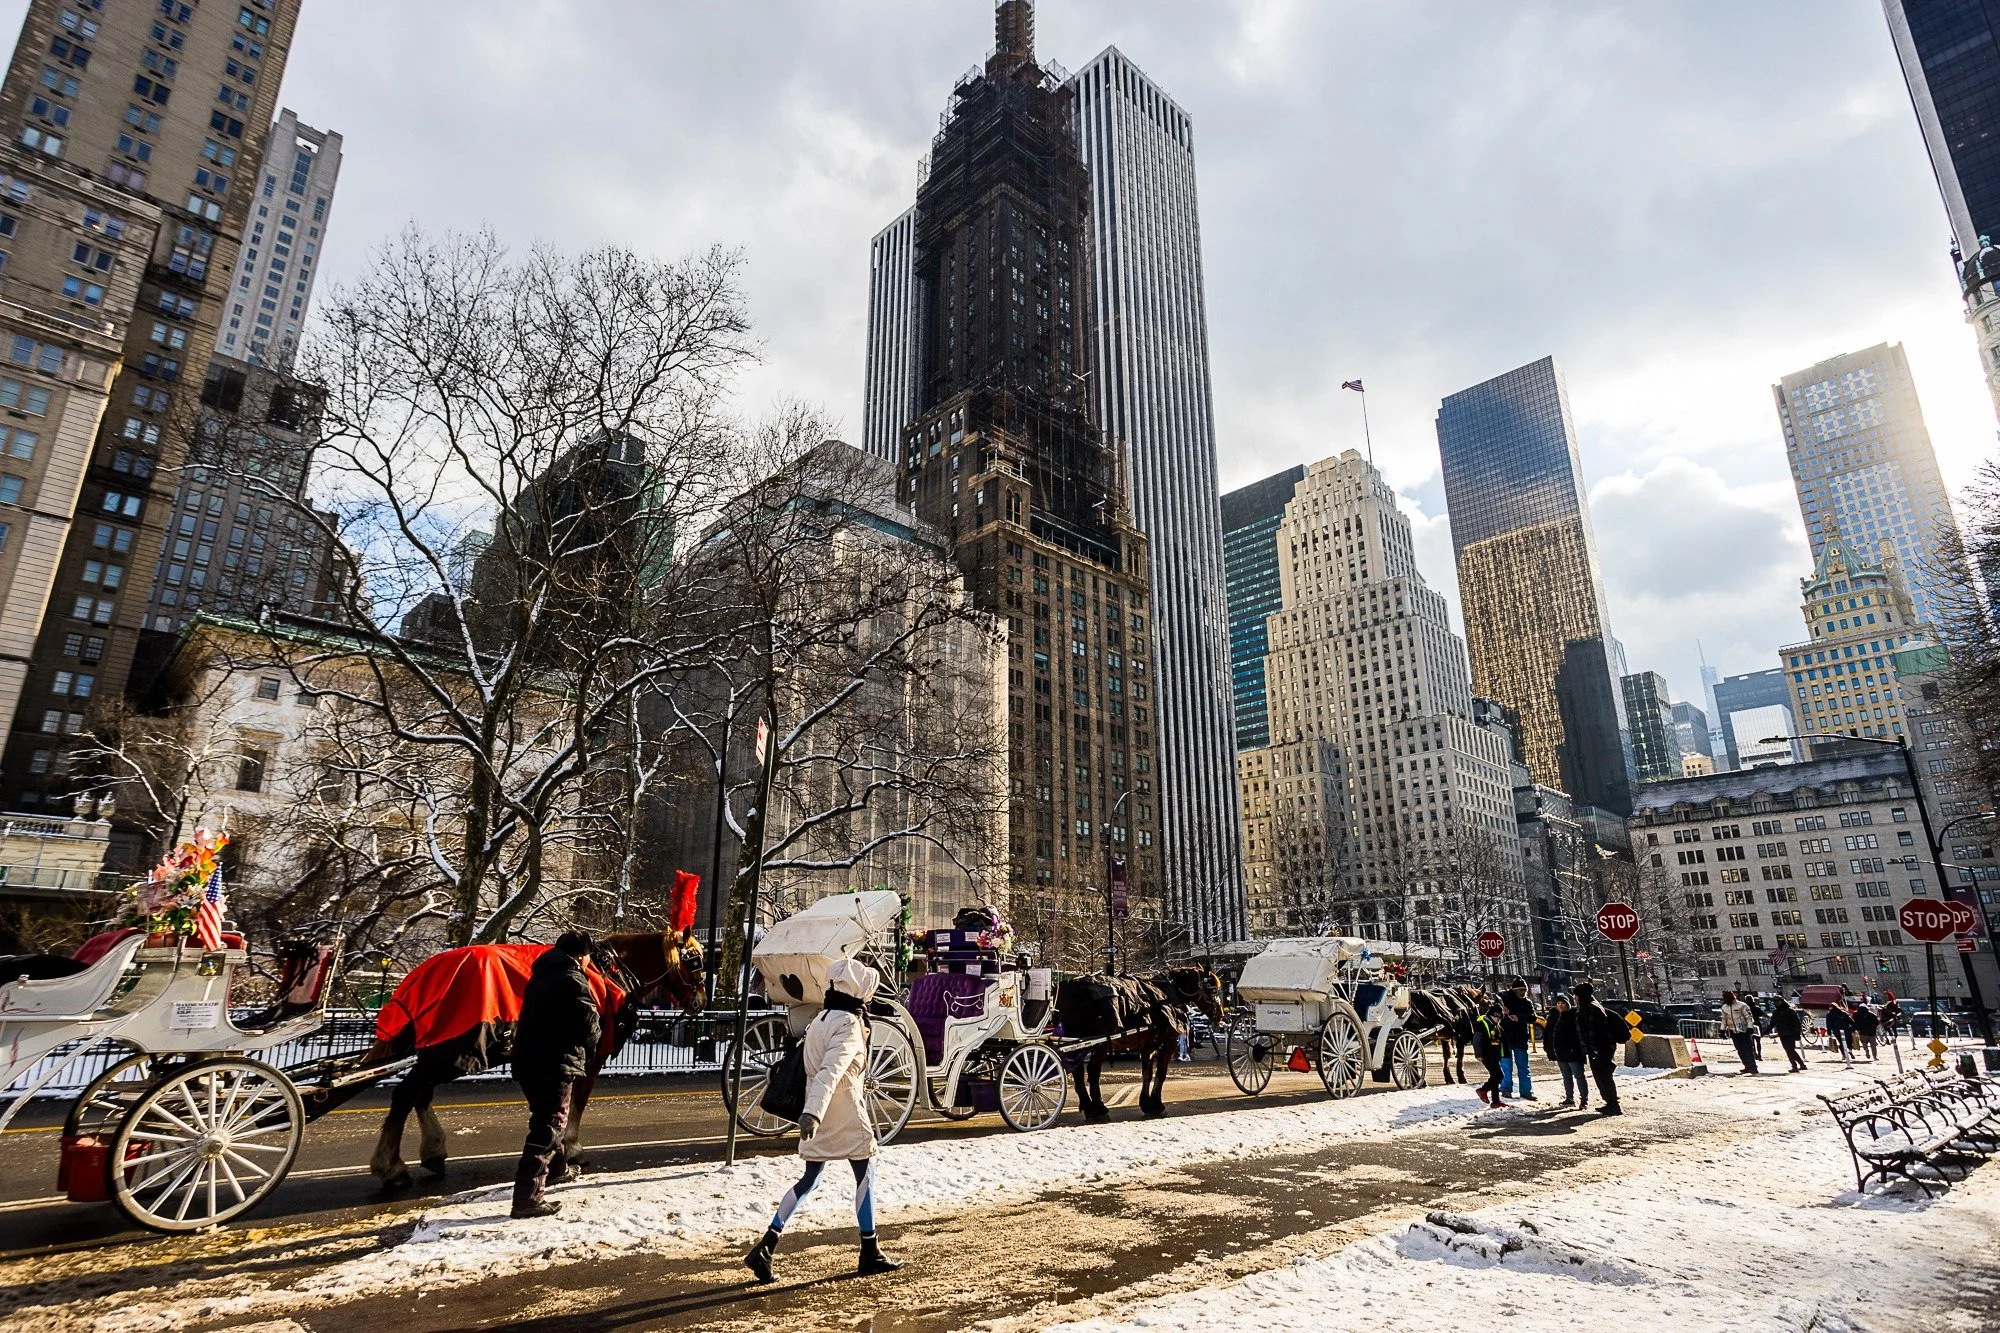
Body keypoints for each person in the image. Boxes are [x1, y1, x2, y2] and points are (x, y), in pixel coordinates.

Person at [745, 958, 900, 1283]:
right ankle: (869, 1251)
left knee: (809, 1180)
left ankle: (766, 1245)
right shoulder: (847, 1024)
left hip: (818, 1110)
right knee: (864, 1174)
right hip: (841, 1110)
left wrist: (812, 1112)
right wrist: (812, 1113)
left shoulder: (822, 1018)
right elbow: (831, 1072)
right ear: (858, 992)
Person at [510, 931, 601, 1220]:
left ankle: (558, 1170)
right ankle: (527, 1197)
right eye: (588, 957)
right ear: (581, 955)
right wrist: (595, 1035)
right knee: (547, 1128)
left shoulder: (541, 975)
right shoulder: (573, 979)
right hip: (555, 1063)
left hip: (529, 1061)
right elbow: (589, 1026)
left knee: (547, 1121)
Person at [1572, 981, 1622, 1115]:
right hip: (1601, 1048)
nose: (1575, 998)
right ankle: (1610, 1103)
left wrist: (1594, 1049)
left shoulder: (1590, 1009)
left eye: (1576, 995)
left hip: (1599, 1049)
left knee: (1603, 1076)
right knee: (1602, 1076)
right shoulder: (1592, 1006)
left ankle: (1613, 1104)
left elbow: (1592, 1030)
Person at [1542, 995, 1588, 1109]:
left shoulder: (1574, 1016)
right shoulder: (1553, 1018)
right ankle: (1569, 1098)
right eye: (1558, 1003)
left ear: (1568, 1004)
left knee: (1579, 1075)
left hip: (1573, 1052)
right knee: (1566, 1076)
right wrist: (1549, 1050)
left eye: (1563, 1003)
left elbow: (1579, 1034)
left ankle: (1584, 1099)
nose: (1560, 1005)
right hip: (1560, 1053)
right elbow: (1548, 1035)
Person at [1498, 979, 1537, 1100]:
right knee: (1506, 1065)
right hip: (1505, 1037)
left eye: (1525, 990)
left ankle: (1526, 1091)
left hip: (1520, 1038)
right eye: (1521, 990)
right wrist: (1502, 1012)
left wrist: (1519, 1017)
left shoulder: (1527, 1002)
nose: (1524, 992)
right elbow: (1493, 1013)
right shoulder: (1503, 999)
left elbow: (1533, 1017)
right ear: (1515, 990)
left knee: (1523, 1066)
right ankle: (1506, 1089)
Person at [1471, 996, 1508, 1109]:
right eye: (1497, 1018)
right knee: (1498, 1075)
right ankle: (1483, 1090)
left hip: (1494, 1054)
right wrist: (1478, 1054)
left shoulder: (1495, 1025)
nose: (1498, 1020)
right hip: (1487, 1054)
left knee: (1495, 1076)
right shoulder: (1483, 1024)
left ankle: (1495, 1101)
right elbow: (1476, 1040)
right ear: (1492, 1016)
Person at [1719, 989, 1759, 1075]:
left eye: (1727, 998)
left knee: (1748, 1049)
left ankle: (1753, 1067)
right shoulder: (1724, 1007)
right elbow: (1724, 1020)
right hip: (1733, 1031)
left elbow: (1749, 1017)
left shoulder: (1742, 1005)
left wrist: (1750, 1027)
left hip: (1744, 1031)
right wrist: (1722, 1030)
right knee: (1740, 1050)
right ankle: (1747, 1066)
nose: (1726, 1000)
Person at [1771, 994, 1808, 1073]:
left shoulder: (1790, 1011)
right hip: (1782, 1034)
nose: (1777, 1003)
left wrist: (1797, 1034)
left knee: (1790, 1050)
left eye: (1778, 1001)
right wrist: (1765, 1032)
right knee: (1790, 1050)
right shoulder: (1776, 1012)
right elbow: (1772, 1023)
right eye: (1775, 1001)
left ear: (1782, 1001)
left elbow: (1797, 1023)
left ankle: (1795, 1066)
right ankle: (1801, 1065)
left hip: (1790, 1034)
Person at [1824, 998, 1856, 1067]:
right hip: (1846, 1029)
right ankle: (1850, 1050)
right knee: (1849, 1041)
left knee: (1841, 1043)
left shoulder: (1829, 1015)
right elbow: (1851, 1021)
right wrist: (1854, 1029)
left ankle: (1844, 1055)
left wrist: (1829, 1033)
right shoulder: (1843, 1013)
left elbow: (1828, 1024)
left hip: (1837, 1031)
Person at [1852, 998, 1880, 1062]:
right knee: (1873, 1045)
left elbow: (1854, 1022)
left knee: (1864, 1042)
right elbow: (1877, 1022)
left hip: (1862, 1032)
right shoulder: (1872, 1014)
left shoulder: (1856, 1014)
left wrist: (1854, 1029)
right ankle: (1875, 1056)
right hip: (1872, 1032)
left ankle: (1866, 1049)